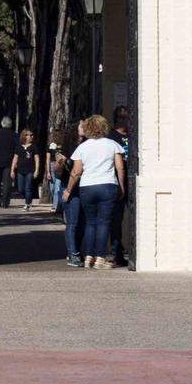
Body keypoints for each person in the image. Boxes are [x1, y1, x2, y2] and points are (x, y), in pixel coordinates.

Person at [64, 114, 126, 270]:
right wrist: (122, 186)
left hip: (87, 187)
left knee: (90, 222)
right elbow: (120, 167)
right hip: (107, 185)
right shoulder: (113, 144)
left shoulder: (82, 147)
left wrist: (68, 190)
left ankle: (88, 257)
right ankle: (100, 258)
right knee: (104, 222)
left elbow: (76, 171)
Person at [108, 106, 135, 267]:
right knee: (116, 219)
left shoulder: (134, 135)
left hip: (133, 181)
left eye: (128, 117)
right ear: (117, 119)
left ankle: (134, 251)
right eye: (123, 117)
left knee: (135, 216)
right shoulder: (111, 137)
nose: (126, 120)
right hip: (118, 182)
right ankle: (117, 252)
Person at [0, 116, 20, 208]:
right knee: (7, 182)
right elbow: (18, 146)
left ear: (2, 123)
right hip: (9, 161)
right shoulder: (13, 134)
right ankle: (5, 202)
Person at [17, 127, 41, 209]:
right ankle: (28, 199)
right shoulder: (19, 147)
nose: (31, 137)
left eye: (32, 135)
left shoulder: (34, 147)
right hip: (20, 170)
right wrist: (12, 169)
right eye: (30, 135)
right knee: (21, 189)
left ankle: (27, 203)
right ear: (24, 136)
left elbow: (37, 159)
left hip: (30, 170)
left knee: (28, 187)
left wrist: (37, 170)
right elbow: (15, 158)